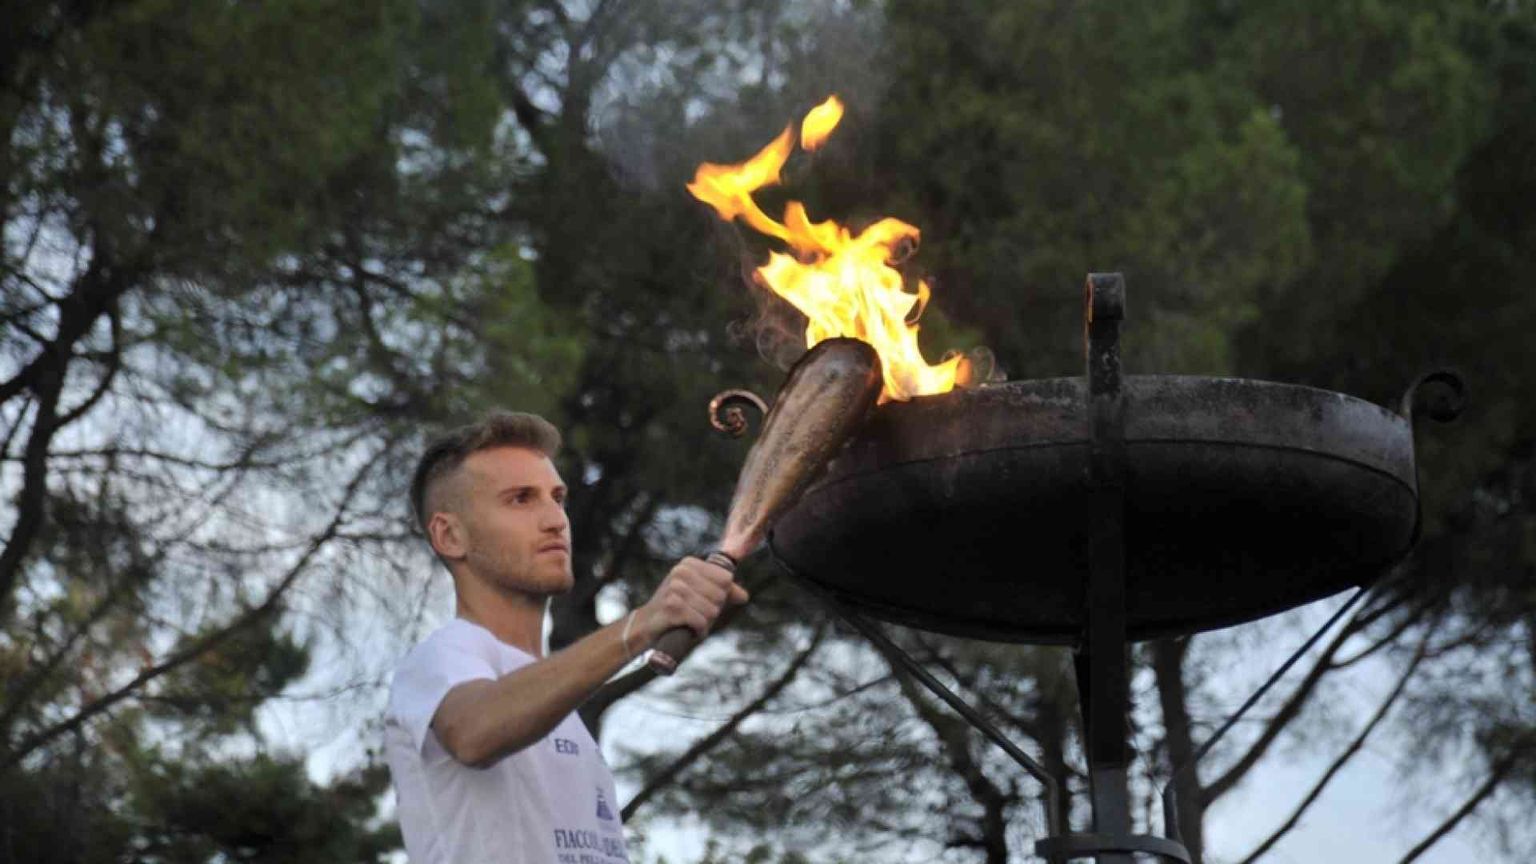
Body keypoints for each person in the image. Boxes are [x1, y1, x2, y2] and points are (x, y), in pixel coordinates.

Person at [382, 411, 748, 863]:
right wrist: (641, 624)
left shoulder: (562, 715)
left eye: (558, 498)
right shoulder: (443, 656)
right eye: (521, 499)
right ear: (450, 535)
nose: (556, 519)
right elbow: (474, 731)